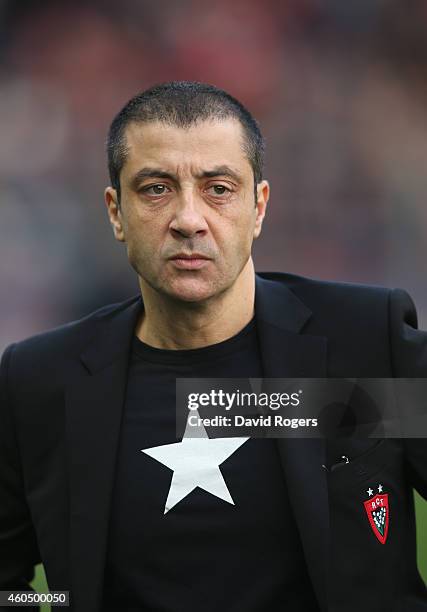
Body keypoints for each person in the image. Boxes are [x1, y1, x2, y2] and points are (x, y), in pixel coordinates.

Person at [0, 81, 426, 612]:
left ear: (259, 207)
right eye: (155, 188)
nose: (188, 219)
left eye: (218, 188)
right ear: (115, 212)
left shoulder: (364, 341)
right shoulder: (40, 381)